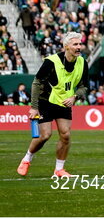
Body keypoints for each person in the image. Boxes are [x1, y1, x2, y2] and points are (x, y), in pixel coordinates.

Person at [17, 33, 88, 177]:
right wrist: (34, 107)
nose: (79, 47)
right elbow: (37, 83)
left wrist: (75, 97)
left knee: (66, 135)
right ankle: (27, 159)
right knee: (45, 135)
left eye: (80, 44)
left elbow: (84, 86)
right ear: (66, 47)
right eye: (75, 44)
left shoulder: (82, 63)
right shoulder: (51, 62)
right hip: (46, 100)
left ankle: (59, 170)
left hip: (64, 102)